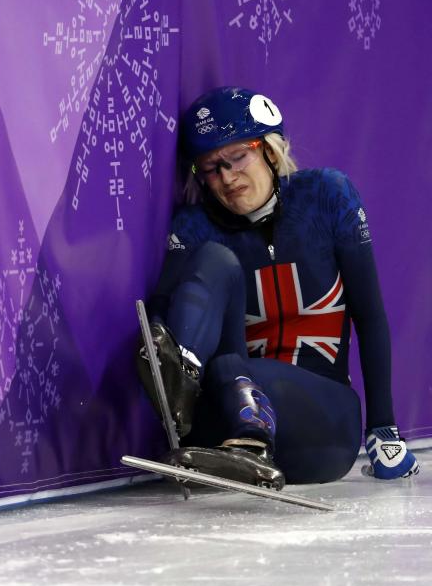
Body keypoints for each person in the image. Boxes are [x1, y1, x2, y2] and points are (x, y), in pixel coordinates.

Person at [137, 86, 419, 488]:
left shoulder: (327, 195)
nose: (227, 177)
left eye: (237, 157)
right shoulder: (195, 226)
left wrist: (383, 427)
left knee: (232, 367)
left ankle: (251, 440)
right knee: (215, 264)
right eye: (210, 168)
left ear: (271, 150)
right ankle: (188, 390)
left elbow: (370, 316)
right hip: (224, 415)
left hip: (322, 426)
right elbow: (159, 323)